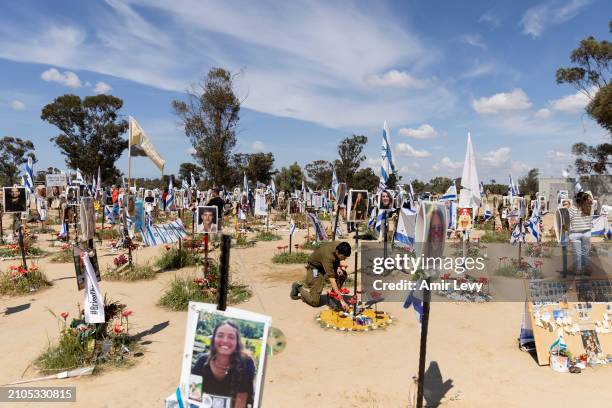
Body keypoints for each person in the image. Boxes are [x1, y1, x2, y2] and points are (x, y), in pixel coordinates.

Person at [191, 321, 256, 408]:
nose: (225, 340)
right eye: (220, 335)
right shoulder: (202, 361)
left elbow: (241, 401)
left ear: (237, 342)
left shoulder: (246, 363)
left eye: (231, 337)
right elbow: (194, 397)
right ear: (214, 339)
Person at [290, 242, 352, 311]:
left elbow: (337, 259)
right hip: (315, 268)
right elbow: (332, 280)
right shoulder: (328, 257)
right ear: (337, 252)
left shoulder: (340, 245)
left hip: (328, 264)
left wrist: (338, 267)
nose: (344, 259)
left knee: (342, 275)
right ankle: (298, 288)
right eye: (343, 257)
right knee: (314, 301)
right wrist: (342, 300)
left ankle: (332, 297)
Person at [568, 191, 593, 276]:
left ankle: (578, 271)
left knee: (577, 254)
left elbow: (566, 221)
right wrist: (588, 196)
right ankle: (586, 269)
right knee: (585, 253)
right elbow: (592, 200)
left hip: (575, 234)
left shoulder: (572, 209)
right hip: (586, 233)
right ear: (586, 200)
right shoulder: (590, 207)